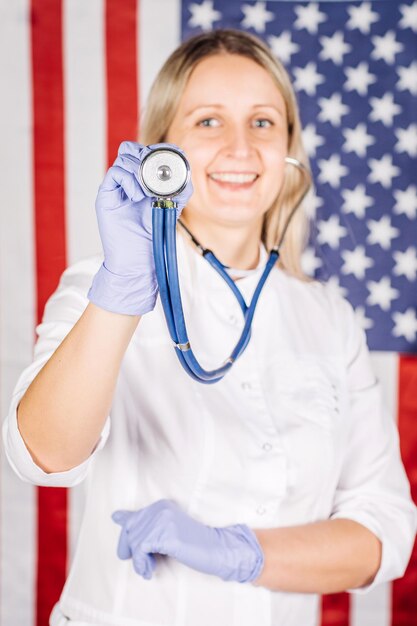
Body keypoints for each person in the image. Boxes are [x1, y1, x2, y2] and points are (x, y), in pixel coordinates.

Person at [3, 28, 417, 626]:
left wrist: (238, 553)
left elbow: (384, 534)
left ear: (288, 150)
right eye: (207, 122)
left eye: (263, 123)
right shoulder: (103, 284)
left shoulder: (327, 318)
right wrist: (124, 289)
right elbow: (40, 455)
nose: (240, 148)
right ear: (162, 151)